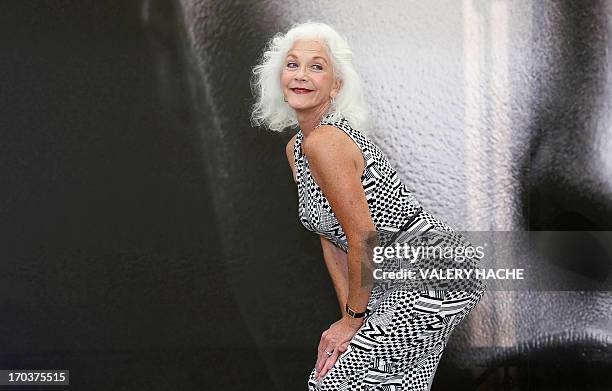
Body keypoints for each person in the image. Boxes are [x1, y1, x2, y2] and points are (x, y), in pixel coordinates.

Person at [250, 21, 486, 390]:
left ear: (336, 85)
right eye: (292, 64)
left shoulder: (327, 140)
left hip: (433, 273)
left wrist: (352, 320)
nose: (301, 75)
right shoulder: (296, 148)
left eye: (317, 66)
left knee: (333, 384)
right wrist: (352, 318)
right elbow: (331, 238)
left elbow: (362, 236)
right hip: (392, 282)